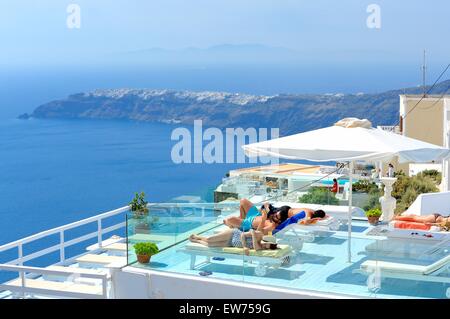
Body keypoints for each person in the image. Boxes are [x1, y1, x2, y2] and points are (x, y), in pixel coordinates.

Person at [190, 209, 278, 254]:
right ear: (267, 241)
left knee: (210, 245)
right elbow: (243, 235)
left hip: (232, 244)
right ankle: (197, 236)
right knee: (209, 239)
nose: (264, 245)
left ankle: (196, 240)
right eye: (266, 243)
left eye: (266, 247)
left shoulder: (259, 247)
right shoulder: (259, 235)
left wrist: (253, 234)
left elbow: (256, 247)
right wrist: (245, 246)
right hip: (233, 235)